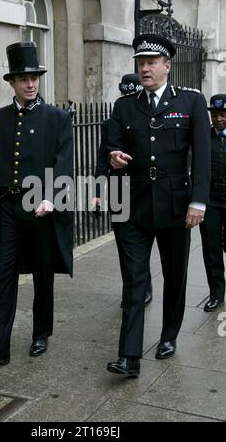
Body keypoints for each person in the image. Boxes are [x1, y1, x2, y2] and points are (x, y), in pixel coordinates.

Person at [106, 33, 211, 377]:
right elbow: (112, 145)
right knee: (134, 280)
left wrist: (198, 201)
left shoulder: (192, 103)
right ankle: (129, 356)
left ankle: (168, 335)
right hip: (133, 206)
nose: (145, 68)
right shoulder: (124, 106)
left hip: (176, 206)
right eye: (140, 63)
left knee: (175, 275)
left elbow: (203, 157)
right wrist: (114, 156)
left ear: (168, 66)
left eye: (151, 62)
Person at [0, 42, 73, 369]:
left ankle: (41, 332)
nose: (30, 84)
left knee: (43, 274)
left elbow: (64, 163)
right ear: (11, 82)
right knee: (3, 276)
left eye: (34, 78)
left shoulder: (57, 118)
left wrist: (51, 197)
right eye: (23, 79)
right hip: (5, 208)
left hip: (39, 205)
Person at [93, 73, 152, 306]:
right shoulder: (110, 124)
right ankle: (131, 288)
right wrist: (97, 192)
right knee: (124, 244)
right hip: (119, 188)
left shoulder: (150, 117)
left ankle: (143, 286)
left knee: (142, 242)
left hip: (143, 188)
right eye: (124, 93)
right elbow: (101, 160)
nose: (127, 98)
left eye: (131, 93)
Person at [199, 94, 226, 312]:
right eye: (215, 115)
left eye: (223, 115)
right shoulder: (204, 137)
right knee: (212, 250)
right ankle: (216, 293)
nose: (218, 119)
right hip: (211, 203)